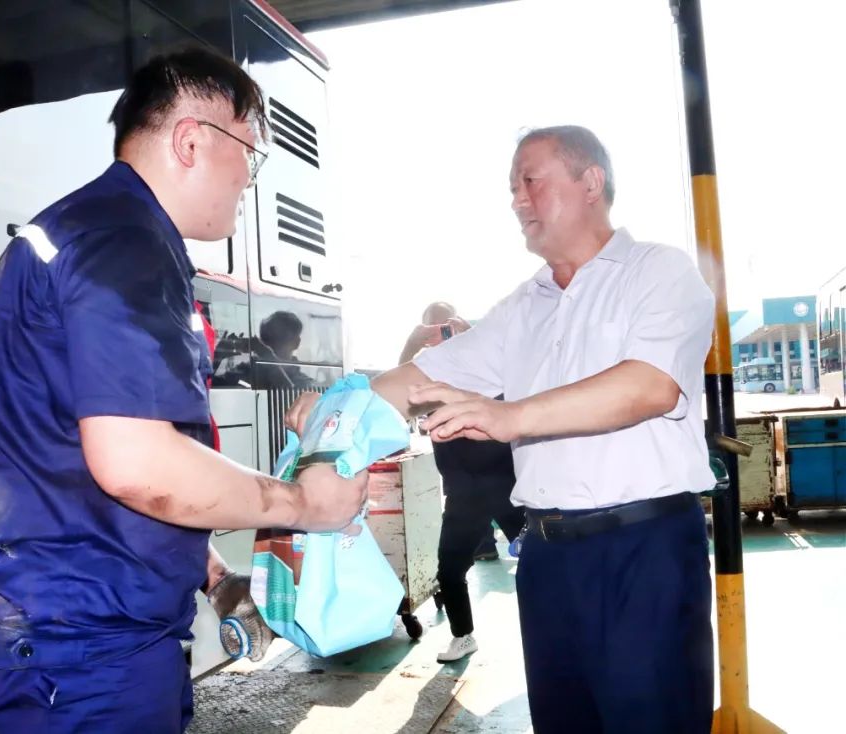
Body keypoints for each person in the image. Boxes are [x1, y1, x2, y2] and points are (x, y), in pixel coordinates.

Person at [0, 48, 367, 734]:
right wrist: (307, 505)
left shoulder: (83, 231)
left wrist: (212, 572)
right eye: (250, 153)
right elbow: (136, 463)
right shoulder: (126, 244)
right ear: (192, 141)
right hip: (77, 658)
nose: (249, 179)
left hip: (37, 636)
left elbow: (63, 454)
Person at [288, 126, 715, 734]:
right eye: (513, 186)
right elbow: (421, 377)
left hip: (642, 551)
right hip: (546, 559)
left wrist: (509, 415)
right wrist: (336, 410)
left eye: (529, 181)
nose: (516, 199)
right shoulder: (524, 307)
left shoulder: (658, 272)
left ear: (590, 181)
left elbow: (650, 385)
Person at [401, 302, 525, 663]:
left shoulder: (484, 365)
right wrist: (412, 345)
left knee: (540, 561)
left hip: (507, 484)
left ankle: (560, 633)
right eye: (433, 329)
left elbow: (519, 383)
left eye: (447, 326)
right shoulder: (426, 378)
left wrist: (475, 337)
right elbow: (397, 398)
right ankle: (462, 636)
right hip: (462, 493)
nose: (442, 334)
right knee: (449, 570)